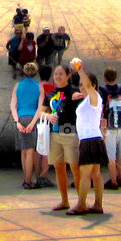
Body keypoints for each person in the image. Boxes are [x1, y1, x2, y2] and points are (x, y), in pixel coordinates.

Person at [41, 64, 82, 212]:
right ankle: (64, 201)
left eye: (61, 74)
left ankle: (81, 201)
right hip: (54, 133)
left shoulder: (74, 91)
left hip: (69, 130)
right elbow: (40, 112)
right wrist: (47, 115)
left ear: (68, 76)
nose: (57, 77)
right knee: (58, 167)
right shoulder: (51, 94)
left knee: (74, 166)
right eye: (56, 74)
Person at [69, 59, 106, 215]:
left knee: (85, 174)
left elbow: (89, 87)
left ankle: (81, 204)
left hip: (91, 140)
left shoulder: (94, 97)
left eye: (85, 84)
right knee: (96, 174)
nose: (82, 87)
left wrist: (80, 71)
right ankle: (97, 204)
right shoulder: (88, 99)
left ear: (93, 85)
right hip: (91, 139)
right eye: (80, 85)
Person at [100, 67, 121, 189]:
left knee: (111, 155)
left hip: (110, 127)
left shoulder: (103, 90)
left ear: (105, 78)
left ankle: (113, 181)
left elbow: (103, 110)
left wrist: (103, 128)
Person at [10, 62, 42, 189]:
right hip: (33, 118)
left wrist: (17, 121)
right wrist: (33, 123)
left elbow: (13, 105)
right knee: (30, 151)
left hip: (21, 117)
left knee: (23, 151)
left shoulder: (18, 85)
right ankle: (28, 181)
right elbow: (40, 108)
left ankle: (25, 178)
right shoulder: (39, 87)